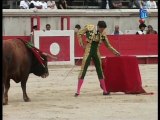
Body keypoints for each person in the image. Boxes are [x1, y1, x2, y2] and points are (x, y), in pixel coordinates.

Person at [75, 21, 120, 97]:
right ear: (98, 27)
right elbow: (79, 33)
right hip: (88, 51)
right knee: (83, 70)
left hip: (96, 52)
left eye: (103, 29)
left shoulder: (103, 34)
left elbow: (108, 45)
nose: (102, 31)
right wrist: (82, 44)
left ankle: (105, 91)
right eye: (102, 29)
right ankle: (78, 91)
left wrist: (115, 52)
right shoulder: (89, 27)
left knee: (100, 70)